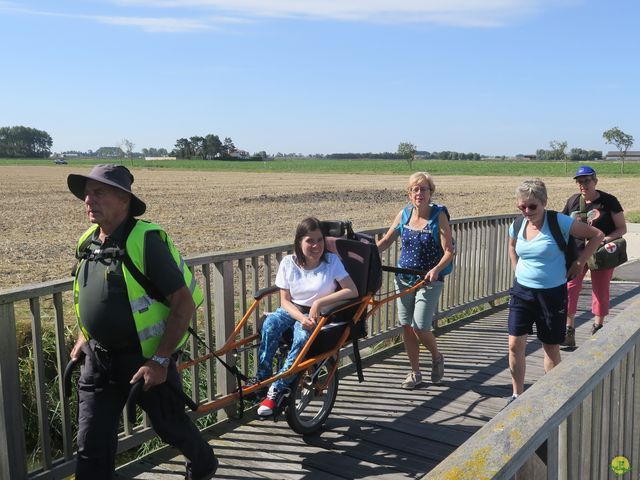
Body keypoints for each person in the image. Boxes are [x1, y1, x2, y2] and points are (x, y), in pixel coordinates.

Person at [67, 164, 217, 480]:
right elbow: (87, 293)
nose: (88, 201)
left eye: (99, 193)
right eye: (87, 194)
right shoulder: (87, 242)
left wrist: (160, 361)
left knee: (170, 425)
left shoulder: (145, 241)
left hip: (145, 361)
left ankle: (204, 462)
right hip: (98, 359)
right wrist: (84, 336)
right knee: (90, 444)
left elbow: (183, 303)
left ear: (124, 199)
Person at [507, 178, 603, 405]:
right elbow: (512, 246)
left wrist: (580, 263)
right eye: (522, 206)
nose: (527, 211)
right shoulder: (518, 224)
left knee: (550, 346)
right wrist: (516, 269)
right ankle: (516, 395)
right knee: (514, 345)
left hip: (552, 294)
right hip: (522, 292)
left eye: (532, 206)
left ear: (544, 203)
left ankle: (552, 398)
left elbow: (596, 234)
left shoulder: (558, 221)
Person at [253, 216, 358, 416]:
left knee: (301, 339)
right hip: (292, 309)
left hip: (317, 313)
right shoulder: (288, 263)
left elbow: (351, 290)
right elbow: (284, 301)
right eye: (310, 240)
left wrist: (319, 303)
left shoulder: (331, 262)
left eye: (319, 240)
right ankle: (262, 380)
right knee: (269, 326)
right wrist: (300, 317)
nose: (316, 245)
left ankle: (278, 388)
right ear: (299, 242)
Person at [376, 172, 454, 389]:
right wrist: (366, 254)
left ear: (431, 192)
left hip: (429, 280)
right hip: (403, 278)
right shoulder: (404, 214)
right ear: (409, 193)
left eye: (424, 189)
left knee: (420, 325)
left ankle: (437, 356)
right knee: (407, 326)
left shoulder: (438, 216)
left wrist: (436, 269)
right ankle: (415, 373)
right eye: (415, 189)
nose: (419, 193)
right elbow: (386, 240)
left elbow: (449, 250)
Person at [561, 166, 627, 346]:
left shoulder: (609, 201)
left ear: (595, 181)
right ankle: (569, 330)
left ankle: (598, 328)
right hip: (576, 253)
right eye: (579, 181)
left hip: (600, 253)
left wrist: (606, 239)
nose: (583, 185)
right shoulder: (573, 201)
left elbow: (622, 227)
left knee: (600, 289)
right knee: (570, 288)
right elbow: (562, 224)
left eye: (587, 181)